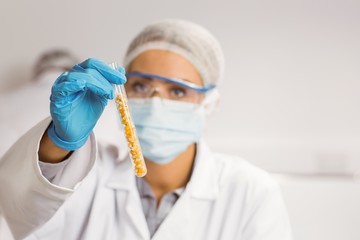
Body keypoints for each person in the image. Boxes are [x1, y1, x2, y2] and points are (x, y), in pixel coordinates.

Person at [0, 19, 292, 239]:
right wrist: (59, 141)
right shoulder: (86, 175)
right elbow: (17, 212)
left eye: (177, 91)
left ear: (209, 102)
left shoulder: (250, 192)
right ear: (122, 92)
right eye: (140, 86)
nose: (155, 102)